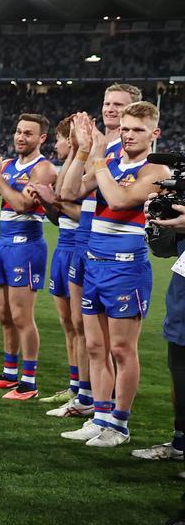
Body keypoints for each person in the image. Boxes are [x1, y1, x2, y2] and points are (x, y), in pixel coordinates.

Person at [60, 105, 168, 447]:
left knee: (122, 348)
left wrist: (98, 159)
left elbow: (120, 200)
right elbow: (69, 192)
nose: (128, 134)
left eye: (137, 129)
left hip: (126, 267)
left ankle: (119, 424)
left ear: (155, 134)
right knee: (95, 347)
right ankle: (101, 417)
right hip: (95, 262)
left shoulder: (157, 170)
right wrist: (81, 150)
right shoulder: (113, 162)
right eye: (124, 128)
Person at [47, 85, 139, 420]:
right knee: (83, 329)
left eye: (119, 105)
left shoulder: (125, 151)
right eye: (107, 103)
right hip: (85, 242)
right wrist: (80, 148)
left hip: (110, 250)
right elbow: (64, 192)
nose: (112, 109)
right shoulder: (102, 145)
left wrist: (89, 151)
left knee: (110, 338)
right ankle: (87, 396)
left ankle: (109, 407)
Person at [0, 114, 56, 400]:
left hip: (27, 244)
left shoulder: (44, 168)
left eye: (28, 133)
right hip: (4, 243)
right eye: (18, 131)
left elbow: (23, 204)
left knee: (23, 315)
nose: (21, 137)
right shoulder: (9, 166)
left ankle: (29, 381)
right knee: (4, 314)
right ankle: (9, 373)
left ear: (41, 138)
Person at [133, 193, 185, 460]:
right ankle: (179, 443)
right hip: (181, 298)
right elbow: (164, 250)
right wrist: (157, 223)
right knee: (179, 374)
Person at [39, 116, 85, 404]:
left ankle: (87, 390)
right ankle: (74, 385)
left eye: (58, 139)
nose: (56, 146)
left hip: (80, 247)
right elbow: (59, 218)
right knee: (68, 323)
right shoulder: (65, 170)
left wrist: (55, 201)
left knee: (81, 325)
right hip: (63, 246)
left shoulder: (84, 171)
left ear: (71, 141)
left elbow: (86, 216)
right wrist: (48, 202)